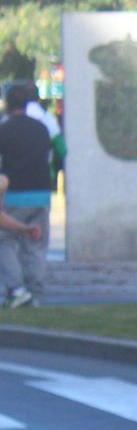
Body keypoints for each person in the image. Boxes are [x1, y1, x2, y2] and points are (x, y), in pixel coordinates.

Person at [0, 83, 55, 309]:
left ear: (7, 104)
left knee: (5, 241)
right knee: (36, 242)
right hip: (41, 193)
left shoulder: (4, 129)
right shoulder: (41, 128)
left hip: (15, 194)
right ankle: (35, 292)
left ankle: (16, 289)